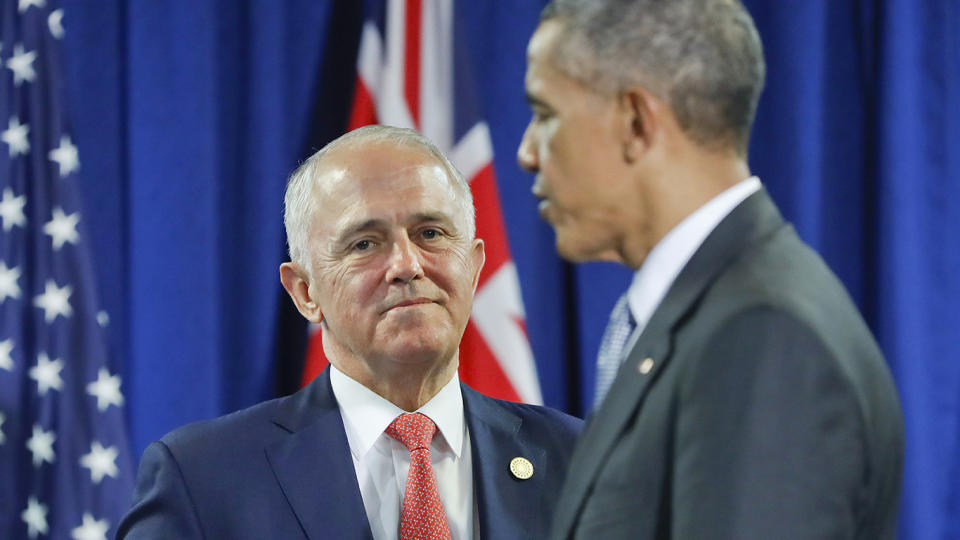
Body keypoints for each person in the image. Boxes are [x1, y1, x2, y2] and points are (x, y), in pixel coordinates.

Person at [516, 1, 904, 539]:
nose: (527, 153)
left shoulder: (760, 335)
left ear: (635, 122)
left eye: (545, 113)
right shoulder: (707, 315)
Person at [118, 125, 581, 539]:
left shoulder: (577, 459)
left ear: (475, 266)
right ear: (304, 292)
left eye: (431, 233)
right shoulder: (203, 478)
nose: (406, 265)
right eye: (364, 243)